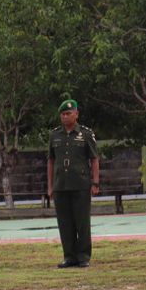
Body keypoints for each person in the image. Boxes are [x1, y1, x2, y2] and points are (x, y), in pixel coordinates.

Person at [46, 99, 99, 268]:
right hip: (61, 185)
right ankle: (69, 256)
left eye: (68, 113)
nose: (65, 116)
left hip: (81, 184)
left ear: (76, 114)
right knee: (64, 222)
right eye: (62, 114)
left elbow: (94, 159)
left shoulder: (86, 133)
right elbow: (51, 161)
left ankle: (83, 256)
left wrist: (95, 182)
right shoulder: (54, 135)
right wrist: (50, 186)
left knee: (82, 222)